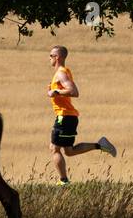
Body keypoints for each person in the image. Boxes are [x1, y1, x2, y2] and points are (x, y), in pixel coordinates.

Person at [47, 45, 116, 184]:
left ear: (57, 57)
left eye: (51, 55)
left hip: (64, 117)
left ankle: (63, 181)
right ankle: (100, 145)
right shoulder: (60, 73)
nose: (49, 58)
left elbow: (74, 91)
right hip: (67, 116)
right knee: (69, 151)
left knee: (54, 148)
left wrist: (56, 92)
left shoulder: (61, 73)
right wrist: (54, 92)